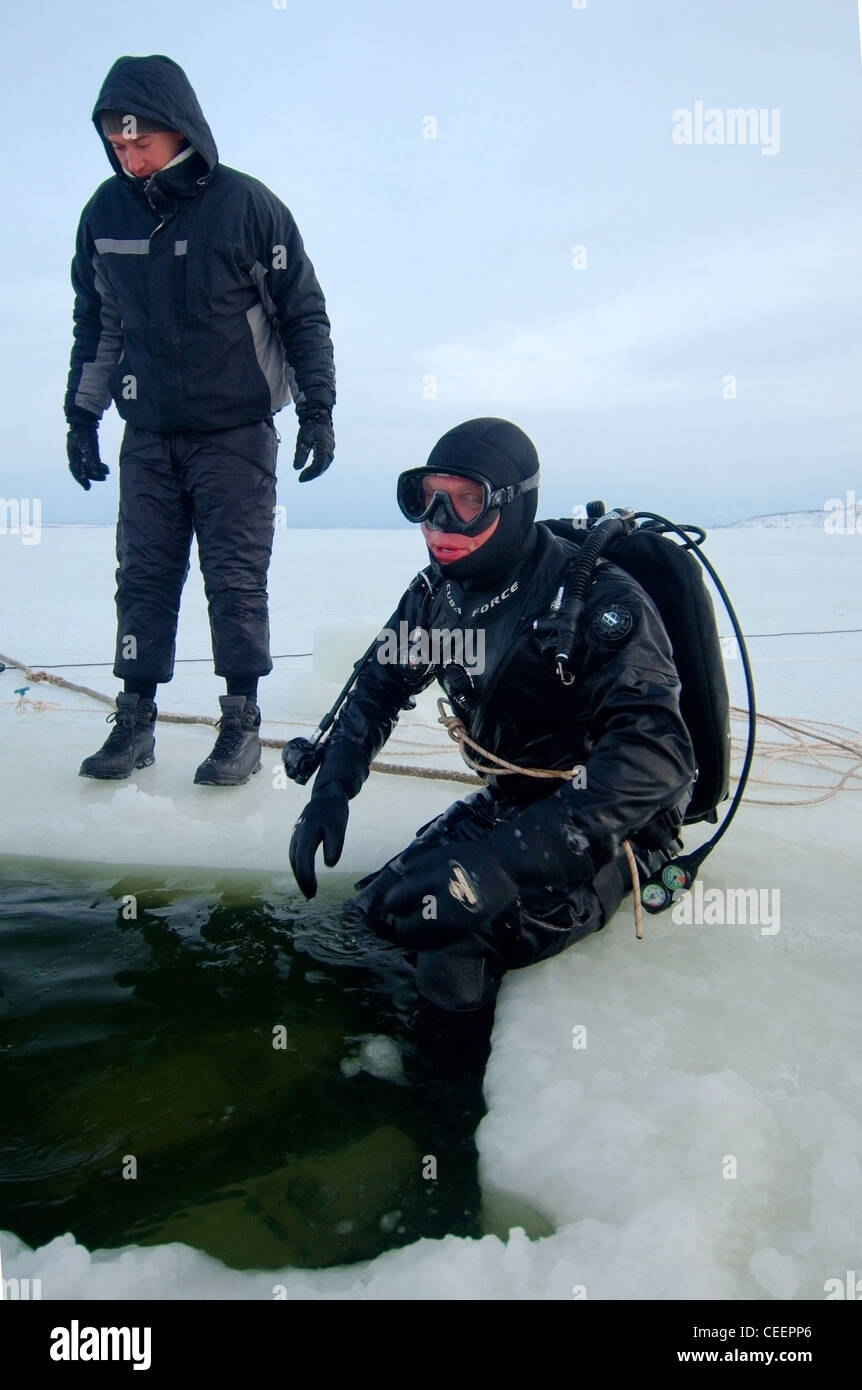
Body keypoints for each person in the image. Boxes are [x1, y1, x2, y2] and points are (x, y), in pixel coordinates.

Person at [288, 418, 697, 1050]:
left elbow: (657, 757)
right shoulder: (438, 597)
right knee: (377, 912)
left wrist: (503, 864)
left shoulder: (593, 602)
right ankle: (357, 1063)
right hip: (509, 806)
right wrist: (331, 791)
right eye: (424, 498)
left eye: (467, 501)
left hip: (614, 833)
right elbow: (378, 688)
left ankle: (440, 1115)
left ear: (514, 504)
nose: (439, 521)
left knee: (452, 940)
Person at [66, 54, 336, 785]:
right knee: (145, 579)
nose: (128, 158)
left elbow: (302, 315)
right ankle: (134, 723)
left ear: (179, 129)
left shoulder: (247, 207)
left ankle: (239, 727)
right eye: (116, 146)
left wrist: (318, 409)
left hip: (236, 432)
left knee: (234, 579)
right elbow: (98, 325)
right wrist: (83, 416)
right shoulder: (105, 213)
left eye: (139, 143)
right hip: (149, 432)